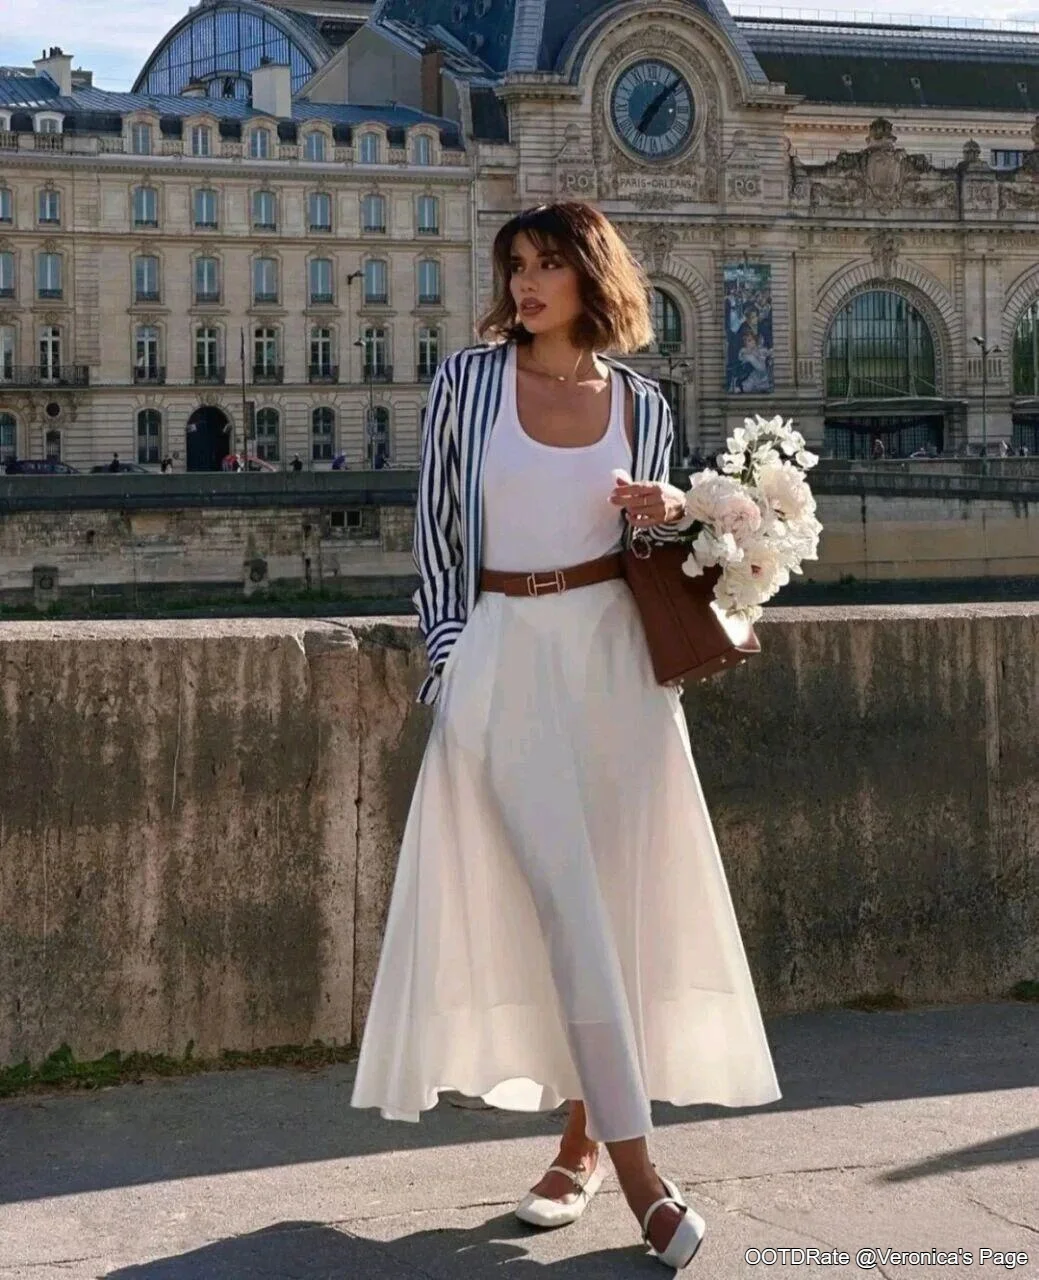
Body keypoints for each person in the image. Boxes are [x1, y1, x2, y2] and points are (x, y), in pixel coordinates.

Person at [350, 202, 781, 1270]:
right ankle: (642, 1175)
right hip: (502, 654)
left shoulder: (641, 399)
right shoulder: (467, 382)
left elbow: (669, 555)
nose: (528, 283)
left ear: (593, 276)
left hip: (614, 667)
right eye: (517, 265)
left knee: (616, 906)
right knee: (566, 900)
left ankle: (580, 1142)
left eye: (549, 263)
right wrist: (452, 664)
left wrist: (669, 517)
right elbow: (437, 537)